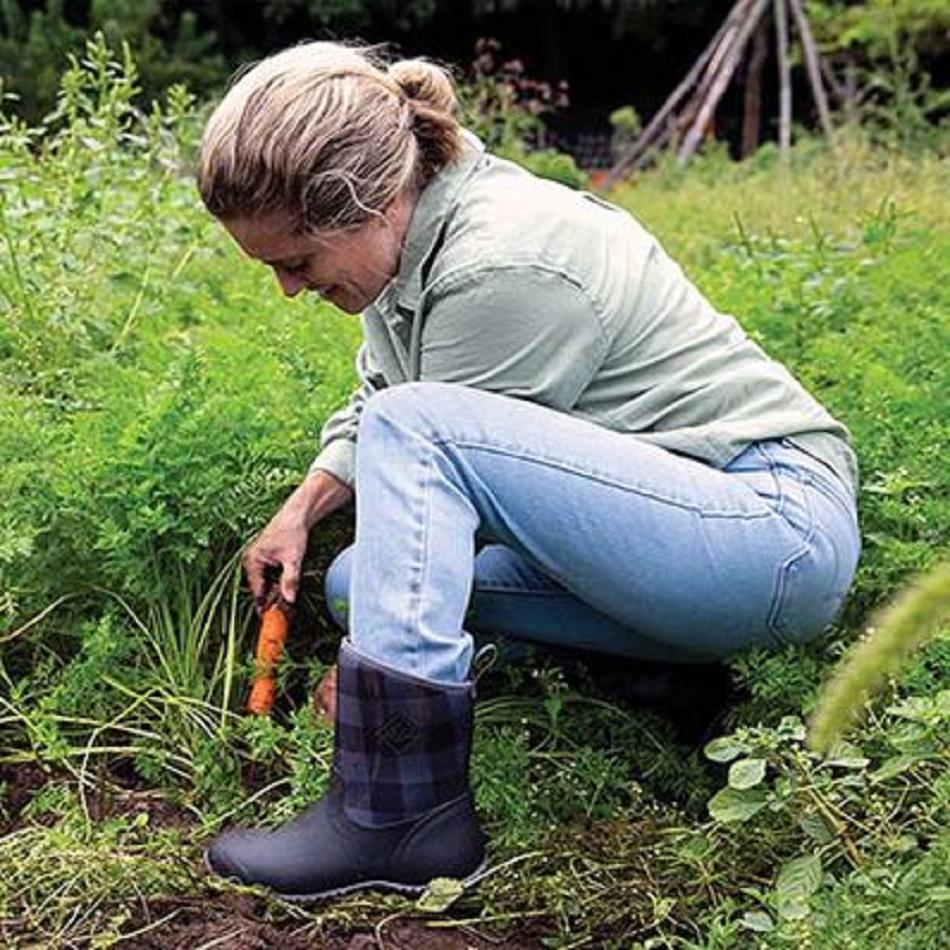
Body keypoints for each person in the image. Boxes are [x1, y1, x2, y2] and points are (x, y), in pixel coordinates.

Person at [197, 41, 860, 901]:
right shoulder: (412, 241)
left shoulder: (503, 262)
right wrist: (302, 510)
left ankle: (396, 812)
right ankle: (669, 673)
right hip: (676, 544)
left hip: (766, 532)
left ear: (364, 204)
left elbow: (432, 448)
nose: (290, 289)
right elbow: (389, 401)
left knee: (410, 497)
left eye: (296, 262)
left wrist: (373, 706)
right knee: (363, 583)